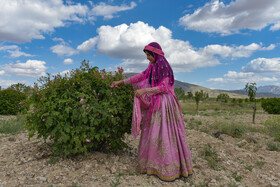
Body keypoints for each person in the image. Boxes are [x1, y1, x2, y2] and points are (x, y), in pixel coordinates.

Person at [111, 42, 193, 181]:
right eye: (147, 55)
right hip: (157, 103)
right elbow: (141, 76)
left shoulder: (164, 67)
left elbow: (164, 87)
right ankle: (153, 165)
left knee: (166, 133)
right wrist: (121, 82)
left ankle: (169, 168)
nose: (147, 58)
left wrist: (144, 90)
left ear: (155, 54)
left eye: (149, 55)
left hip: (165, 103)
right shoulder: (152, 67)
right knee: (154, 133)